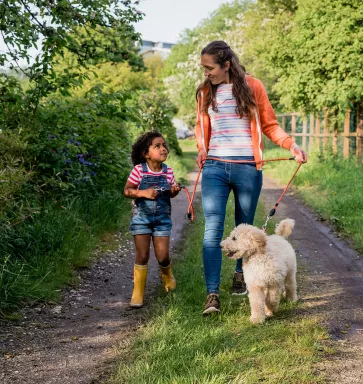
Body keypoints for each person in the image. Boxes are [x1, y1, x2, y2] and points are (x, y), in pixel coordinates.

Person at [195, 40, 307, 315]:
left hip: (247, 167)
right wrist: (201, 149)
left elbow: (269, 124)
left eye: (210, 68)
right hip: (215, 168)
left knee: (243, 228)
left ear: (226, 65)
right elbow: (201, 127)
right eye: (204, 68)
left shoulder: (252, 86)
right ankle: (212, 294)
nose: (206, 73)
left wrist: (291, 145)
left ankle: (239, 274)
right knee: (212, 231)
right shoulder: (204, 92)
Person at [123, 131, 181, 308]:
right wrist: (142, 193)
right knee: (143, 255)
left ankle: (167, 275)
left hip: (162, 219)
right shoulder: (139, 170)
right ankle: (138, 293)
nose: (163, 149)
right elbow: (127, 190)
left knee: (163, 256)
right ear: (146, 153)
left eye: (164, 146)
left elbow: (170, 192)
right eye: (157, 146)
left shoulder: (168, 171)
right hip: (142, 218)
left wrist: (174, 191)